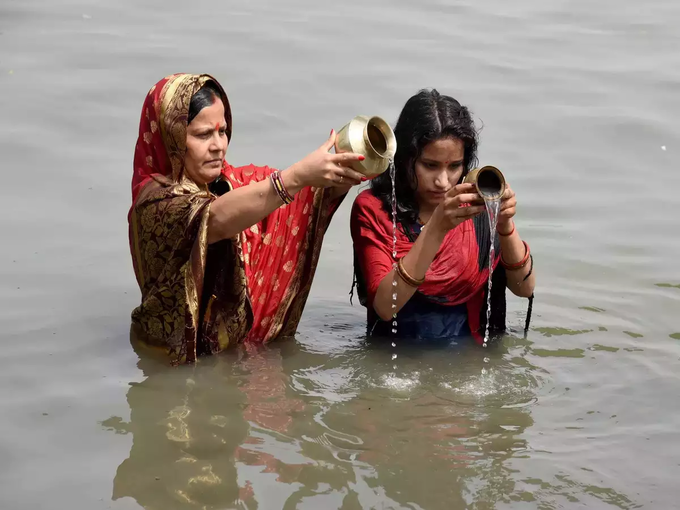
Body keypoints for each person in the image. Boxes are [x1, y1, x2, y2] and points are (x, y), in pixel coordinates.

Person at [129, 73, 365, 363]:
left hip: (224, 358)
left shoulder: (228, 183)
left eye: (223, 131)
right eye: (203, 134)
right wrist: (297, 176)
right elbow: (213, 219)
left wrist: (340, 171)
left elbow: (299, 202)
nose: (218, 145)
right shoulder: (155, 201)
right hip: (166, 362)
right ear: (172, 136)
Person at [350, 89, 535, 344]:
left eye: (454, 166)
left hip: (472, 360)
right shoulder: (375, 209)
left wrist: (504, 224)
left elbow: (524, 289)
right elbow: (385, 306)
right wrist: (437, 226)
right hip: (397, 362)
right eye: (430, 165)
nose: (443, 181)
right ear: (405, 159)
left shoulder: (477, 205)